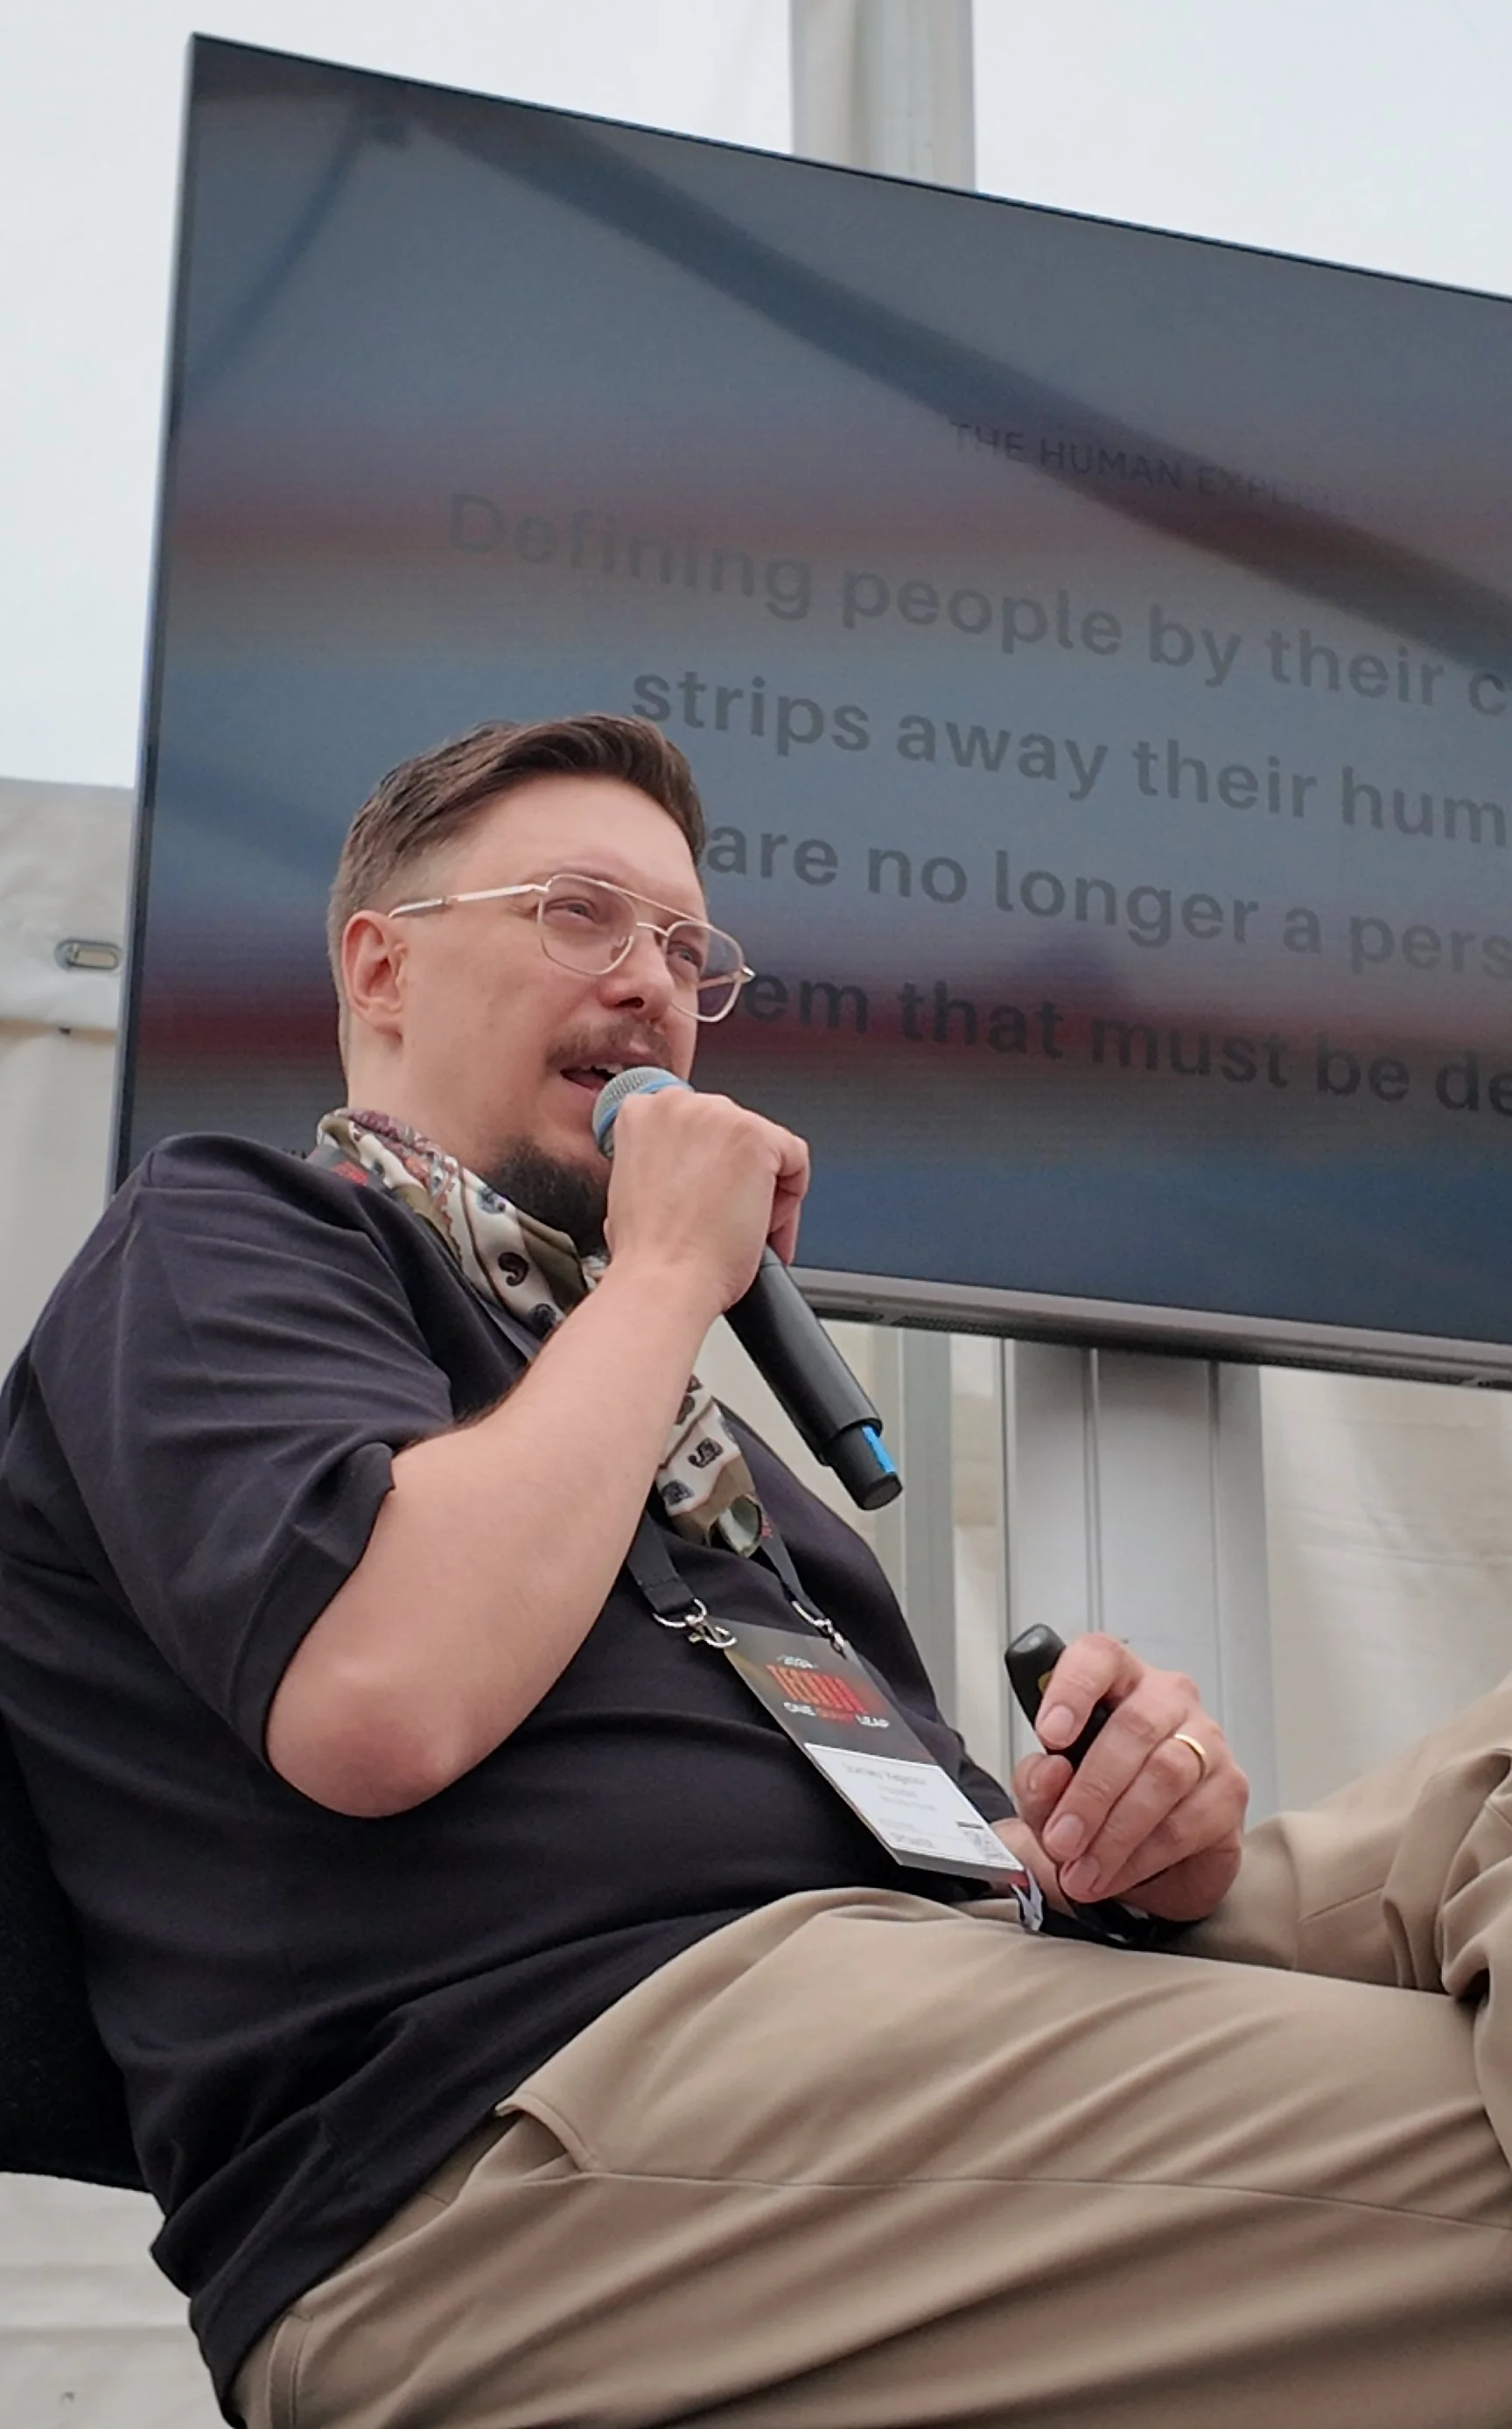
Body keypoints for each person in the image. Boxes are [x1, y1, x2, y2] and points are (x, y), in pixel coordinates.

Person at [0, 711, 1508, 2429]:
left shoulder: (707, 1460)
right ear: (382, 966)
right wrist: (662, 1277)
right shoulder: (230, 1238)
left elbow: (951, 1861)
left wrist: (1128, 1840)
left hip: (909, 2003)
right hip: (528, 2139)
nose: (651, 983)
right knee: (1457, 2154)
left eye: (686, 950)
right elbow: (380, 1698)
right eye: (579, 913)